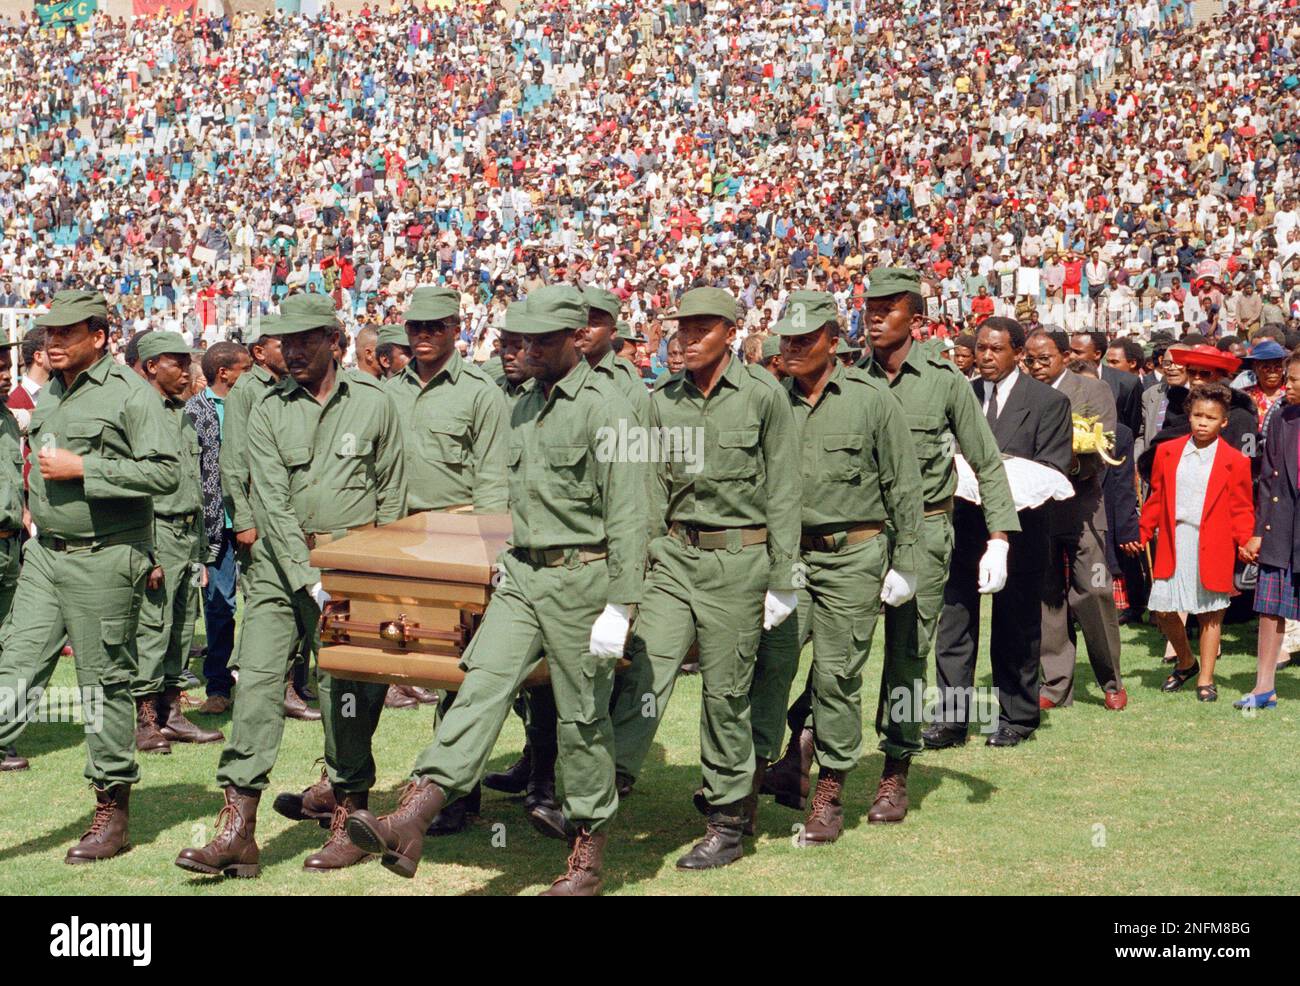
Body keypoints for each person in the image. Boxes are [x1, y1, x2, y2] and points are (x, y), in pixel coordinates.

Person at [346, 286, 645, 896]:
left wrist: (622, 603)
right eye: (519, 339)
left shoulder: (611, 408)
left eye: (538, 341)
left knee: (583, 716)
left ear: (572, 340)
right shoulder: (521, 406)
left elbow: (634, 514)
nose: (524, 350)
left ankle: (586, 854)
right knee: (478, 685)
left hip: (583, 578)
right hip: (522, 576)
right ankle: (414, 817)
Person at [765, 269, 1018, 819]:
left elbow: (985, 458)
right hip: (854, 537)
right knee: (835, 652)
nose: (874, 315)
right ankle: (802, 749)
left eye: (889, 306)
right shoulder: (845, 377)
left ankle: (896, 770)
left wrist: (998, 537)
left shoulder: (944, 380)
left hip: (921, 533)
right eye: (869, 305)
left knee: (907, 655)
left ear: (916, 316)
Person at [177, 292, 406, 877]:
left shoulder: (376, 403)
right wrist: (307, 578)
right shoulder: (268, 407)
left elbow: (392, 495)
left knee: (344, 695)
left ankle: (350, 816)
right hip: (282, 572)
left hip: (353, 569)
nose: (294, 350)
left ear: (335, 339)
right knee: (256, 686)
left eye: (307, 339)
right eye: (287, 340)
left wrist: (371, 572)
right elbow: (271, 499)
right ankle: (239, 830)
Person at [609, 286, 801, 870]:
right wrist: (631, 578)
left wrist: (783, 577)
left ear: (729, 332)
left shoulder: (764, 395)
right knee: (645, 669)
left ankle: (726, 820)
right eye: (680, 328)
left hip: (740, 563)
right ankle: (602, 792)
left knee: (726, 693)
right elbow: (645, 492)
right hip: (673, 558)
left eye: (700, 328)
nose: (686, 338)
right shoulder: (658, 399)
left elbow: (785, 489)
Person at [0, 290, 180, 861]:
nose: (51, 343)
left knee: (102, 687)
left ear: (98, 337)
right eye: (47, 335)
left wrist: (88, 468)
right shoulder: (48, 394)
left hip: (105, 557)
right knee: (13, 668)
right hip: (46, 557)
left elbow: (167, 474)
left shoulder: (130, 394)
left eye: (64, 333)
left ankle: (112, 809)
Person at [746, 289, 922, 846]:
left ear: (832, 341)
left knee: (836, 678)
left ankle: (828, 794)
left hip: (853, 556)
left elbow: (903, 483)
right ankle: (745, 784)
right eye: (787, 338)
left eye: (805, 339)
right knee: (767, 669)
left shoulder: (870, 399)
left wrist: (908, 563)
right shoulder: (770, 399)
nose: (792, 347)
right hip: (788, 559)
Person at [928, 317, 1073, 747]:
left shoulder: (1048, 402)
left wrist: (996, 473)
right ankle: (951, 719)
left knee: (1016, 624)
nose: (986, 357)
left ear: (1018, 353)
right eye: (981, 349)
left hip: (1022, 529)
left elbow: (1053, 469)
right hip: (964, 524)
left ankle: (1018, 716)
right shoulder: (964, 394)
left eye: (996, 350)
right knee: (954, 622)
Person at [220, 319, 319, 722]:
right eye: (284, 344)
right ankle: (266, 687)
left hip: (290, 519)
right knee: (267, 609)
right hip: (260, 521)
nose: (292, 351)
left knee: (298, 606)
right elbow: (234, 461)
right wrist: (244, 520)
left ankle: (290, 685)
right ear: (260, 352)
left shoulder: (290, 389)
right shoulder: (248, 390)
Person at [1023, 330, 1126, 710]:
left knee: (1094, 591)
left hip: (1082, 506)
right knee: (1047, 595)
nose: (1036, 366)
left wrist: (1065, 461)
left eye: (1044, 358)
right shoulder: (1023, 392)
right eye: (1030, 360)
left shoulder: (1091, 390)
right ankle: (1055, 684)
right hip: (1038, 507)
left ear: (1064, 356)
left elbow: (1107, 445)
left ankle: (1111, 679)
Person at [1132, 383, 1255, 704]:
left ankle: (1206, 678)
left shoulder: (1236, 461)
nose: (1202, 422)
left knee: (1210, 614)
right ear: (1189, 416)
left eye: (1211, 418)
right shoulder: (1168, 452)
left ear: (1223, 422)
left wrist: (1245, 540)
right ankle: (1186, 662)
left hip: (1214, 543)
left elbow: (1242, 507)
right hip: (1174, 540)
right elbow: (1156, 497)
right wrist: (1143, 531)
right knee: (1163, 609)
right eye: (1198, 415)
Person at [130, 331, 224, 750]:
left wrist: (202, 546)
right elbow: (140, 486)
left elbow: (193, 478)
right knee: (154, 625)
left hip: (188, 531)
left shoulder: (182, 412)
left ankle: (172, 712)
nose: (187, 371)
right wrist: (148, 550)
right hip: (158, 529)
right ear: (152, 366)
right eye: (177, 363)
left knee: (183, 625)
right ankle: (145, 718)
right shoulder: (138, 411)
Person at [186, 342, 253, 715]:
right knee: (218, 605)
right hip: (213, 528)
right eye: (245, 368)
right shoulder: (194, 412)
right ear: (225, 373)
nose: (252, 374)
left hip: (254, 521)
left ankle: (277, 683)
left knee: (264, 603)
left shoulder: (253, 406)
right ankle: (218, 685)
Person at [1236, 355, 1300, 709]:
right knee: (1270, 608)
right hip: (1283, 524)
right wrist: (1260, 531)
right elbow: (1268, 477)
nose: (1285, 386)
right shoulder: (1282, 417)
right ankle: (1264, 687)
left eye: (1293, 380)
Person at [0, 337, 29, 771]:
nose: (6, 373)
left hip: (8, 547)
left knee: (8, 644)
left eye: (7, 366)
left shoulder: (7, 418)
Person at [1072, 330, 1143, 440]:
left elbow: (1133, 428)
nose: (1071, 356)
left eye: (1077, 352)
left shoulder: (1127, 383)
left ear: (1097, 354)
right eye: (1070, 350)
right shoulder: (1062, 379)